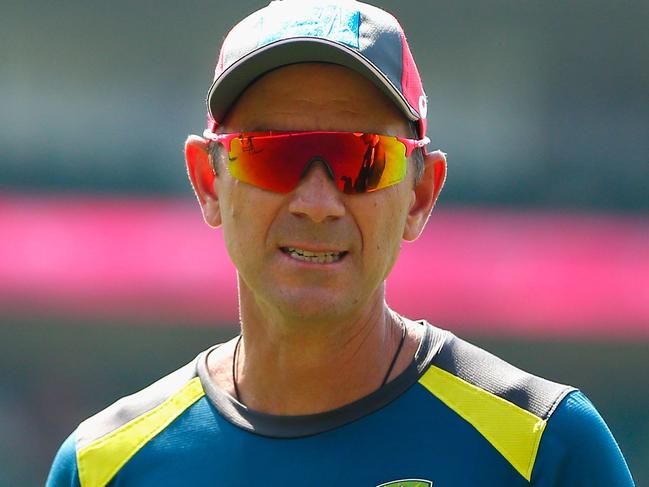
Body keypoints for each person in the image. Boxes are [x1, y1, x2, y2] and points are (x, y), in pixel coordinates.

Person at [46, 1, 635, 486]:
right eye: (273, 154)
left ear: (420, 194)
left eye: (363, 159)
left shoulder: (547, 451)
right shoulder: (101, 467)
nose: (317, 203)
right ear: (208, 181)